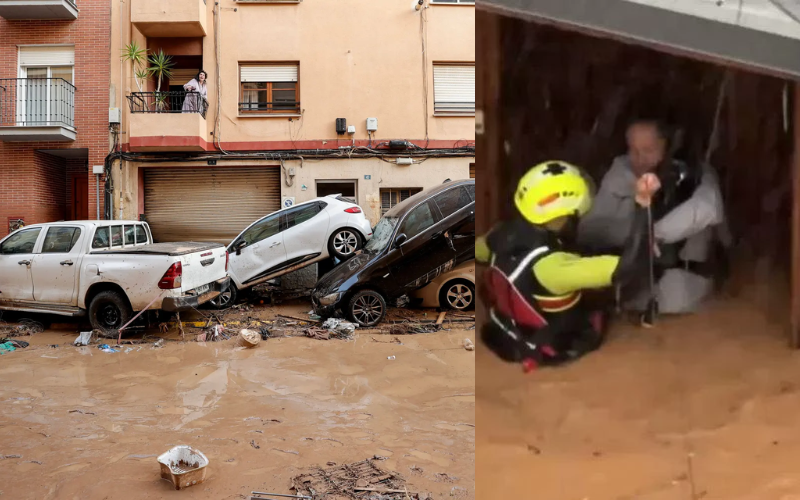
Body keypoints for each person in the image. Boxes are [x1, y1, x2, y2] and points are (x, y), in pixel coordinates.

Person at [477, 160, 660, 369]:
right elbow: (630, 267)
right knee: (600, 307)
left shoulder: (499, 234)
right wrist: (642, 202)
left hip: (507, 327)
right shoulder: (555, 267)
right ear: (564, 218)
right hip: (549, 341)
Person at [577, 119, 729, 315]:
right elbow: (590, 230)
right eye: (633, 150)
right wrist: (636, 235)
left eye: (648, 150)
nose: (639, 159)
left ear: (669, 148)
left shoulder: (698, 173)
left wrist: (654, 234)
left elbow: (708, 208)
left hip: (681, 290)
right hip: (629, 288)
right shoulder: (621, 171)